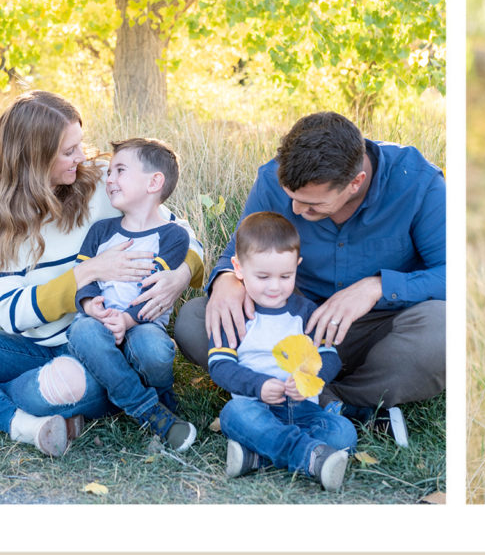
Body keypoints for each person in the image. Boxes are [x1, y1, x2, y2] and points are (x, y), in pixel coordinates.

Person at [0, 90, 203, 457]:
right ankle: (20, 423)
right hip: (34, 349)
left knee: (79, 382)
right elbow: (10, 313)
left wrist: (180, 276)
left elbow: (181, 233)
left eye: (80, 145)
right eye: (69, 151)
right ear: (34, 158)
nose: (82, 157)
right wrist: (87, 273)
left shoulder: (101, 181)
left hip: (99, 345)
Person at [174, 111, 445, 445]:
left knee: (445, 332)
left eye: (312, 205)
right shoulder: (273, 179)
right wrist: (227, 278)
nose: (297, 211)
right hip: (289, 325)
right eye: (291, 198)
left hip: (380, 329)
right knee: (196, 320)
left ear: (355, 182)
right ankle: (338, 408)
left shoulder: (418, 182)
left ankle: (327, 399)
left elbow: (451, 274)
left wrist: (377, 287)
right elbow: (239, 248)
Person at [65, 138, 198, 451]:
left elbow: (154, 290)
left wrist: (126, 320)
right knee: (81, 329)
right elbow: (84, 276)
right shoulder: (101, 231)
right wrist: (90, 303)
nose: (109, 179)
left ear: (154, 182)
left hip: (142, 324)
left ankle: (160, 391)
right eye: (109, 171)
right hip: (101, 325)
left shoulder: (173, 236)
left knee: (154, 348)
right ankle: (149, 411)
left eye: (120, 171)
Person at [208, 211, 356, 490]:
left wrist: (308, 379)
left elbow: (330, 358)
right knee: (233, 414)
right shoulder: (234, 313)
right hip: (256, 407)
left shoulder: (306, 312)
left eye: (285, 275)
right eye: (263, 276)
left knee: (344, 433)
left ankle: (257, 456)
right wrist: (259, 385)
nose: (275, 286)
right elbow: (221, 367)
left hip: (302, 410)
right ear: (238, 268)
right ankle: (312, 457)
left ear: (297, 266)